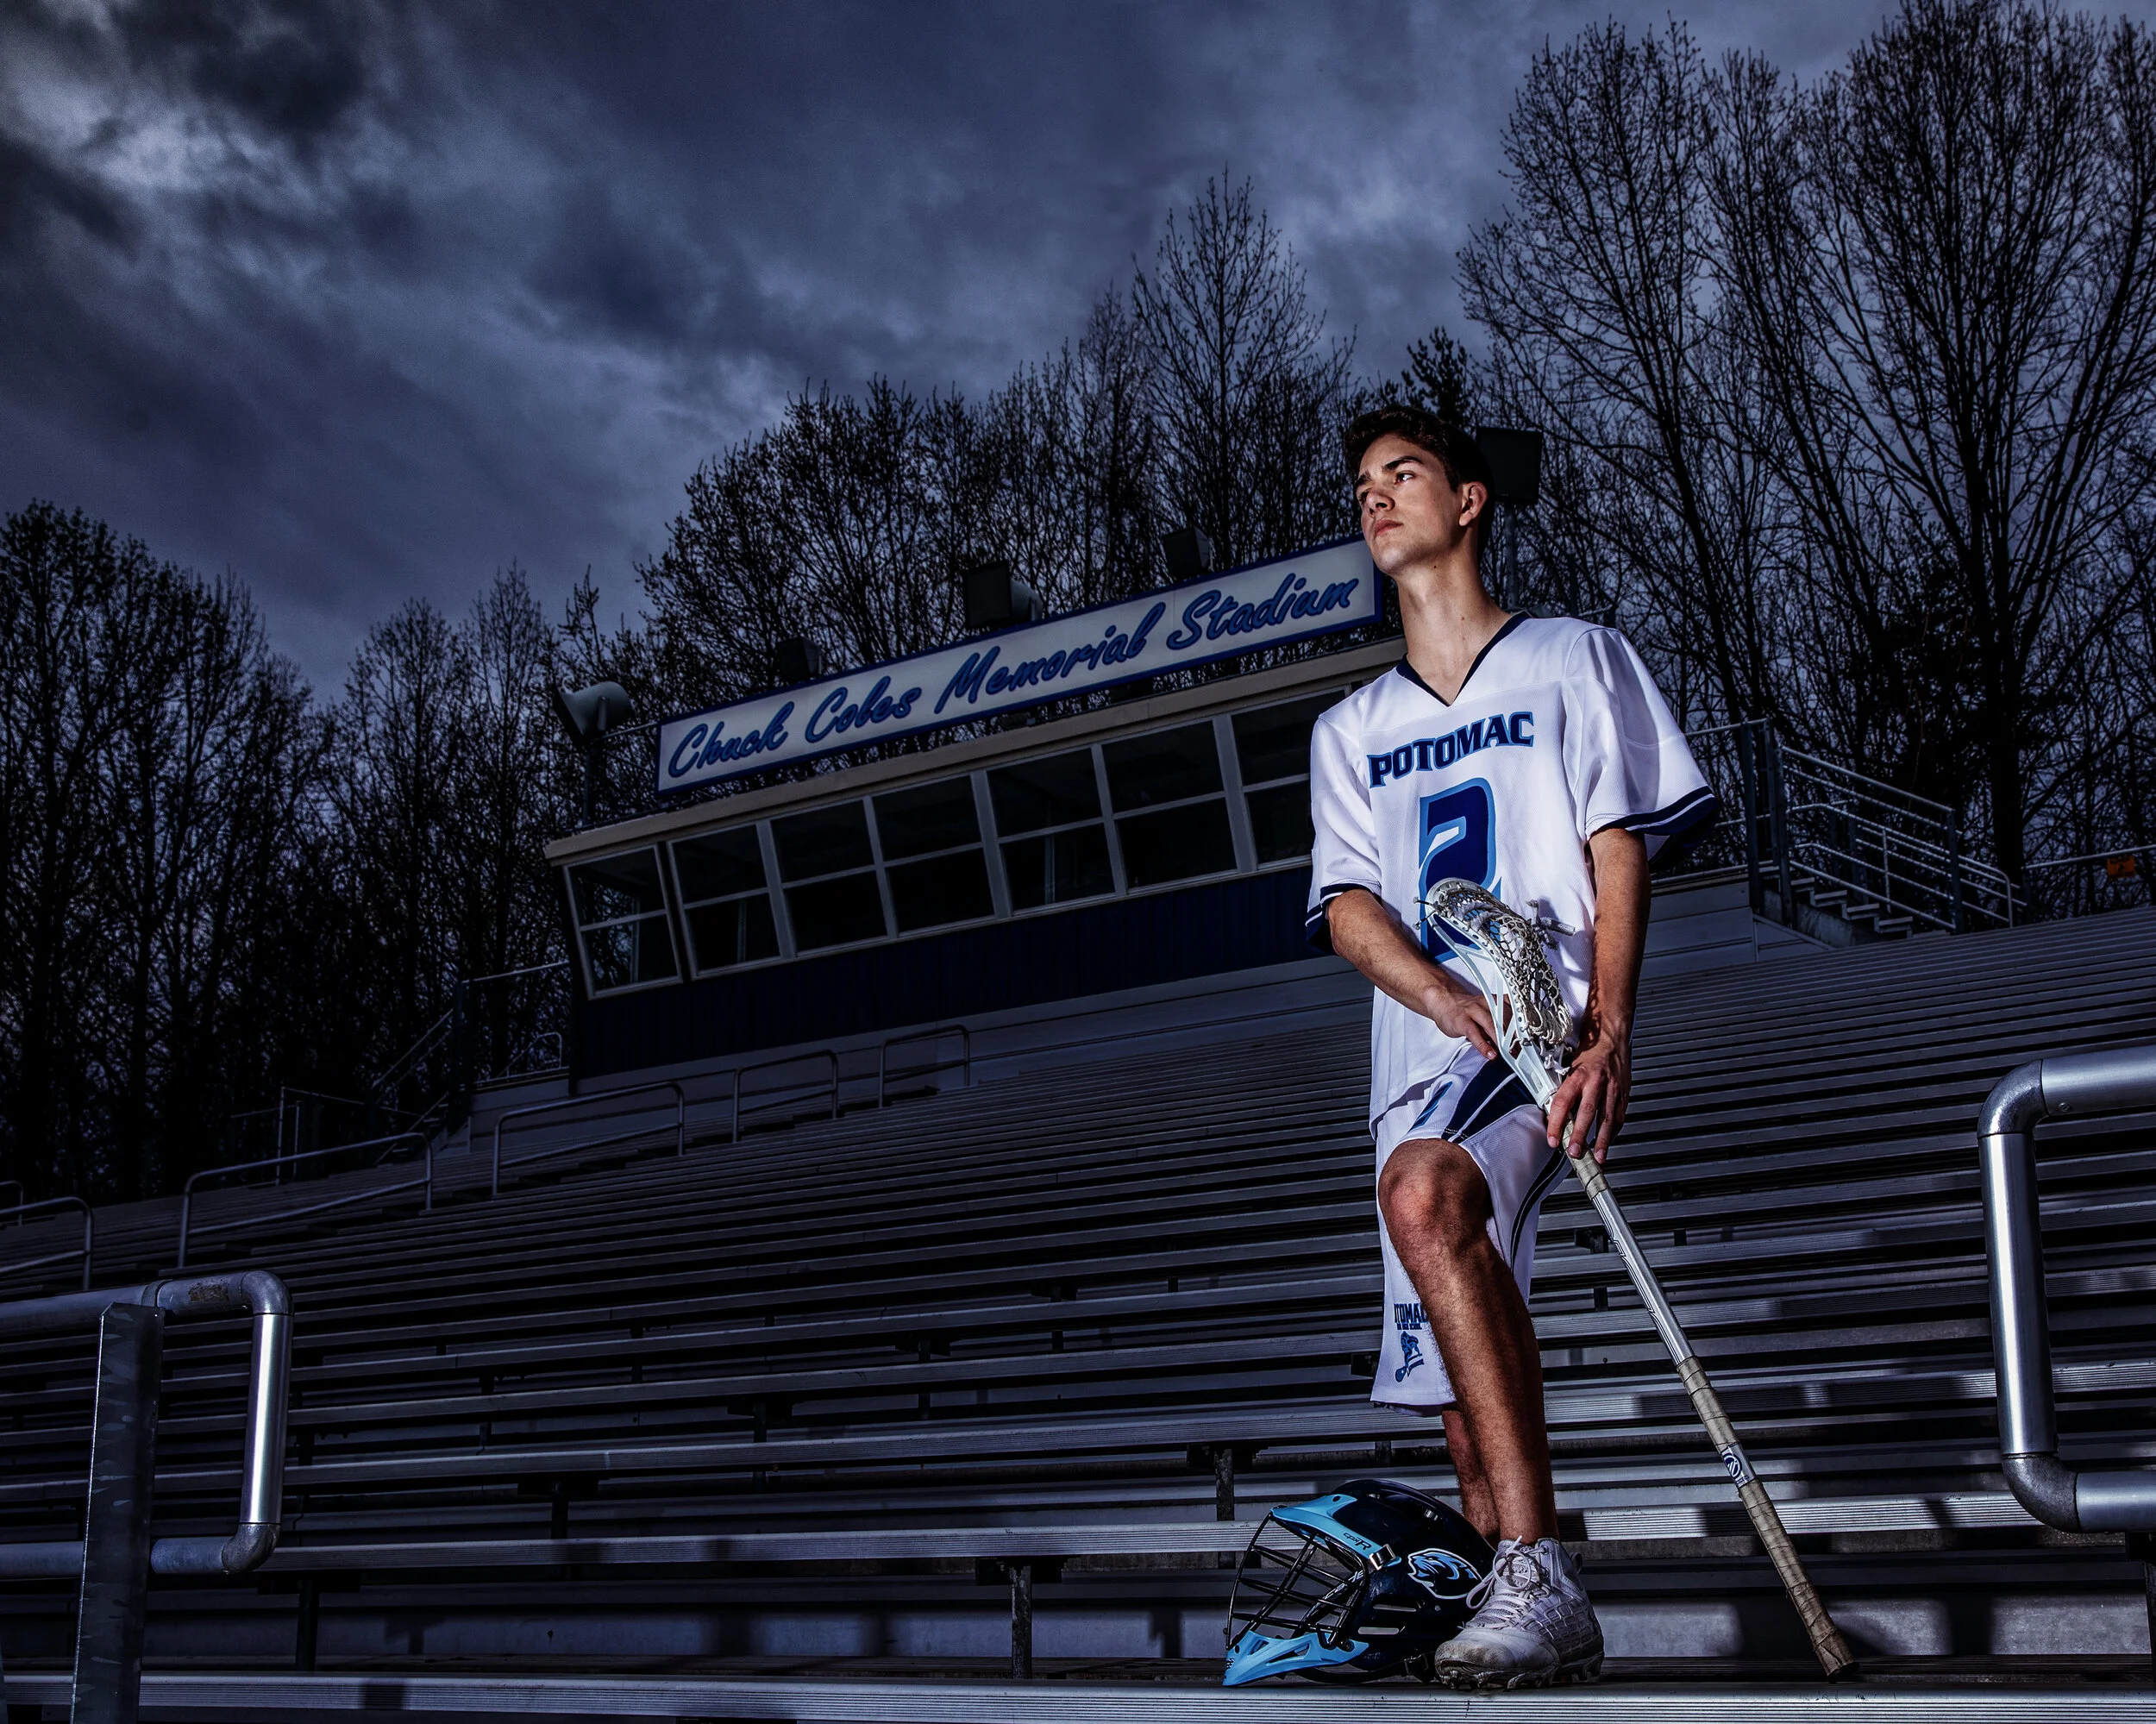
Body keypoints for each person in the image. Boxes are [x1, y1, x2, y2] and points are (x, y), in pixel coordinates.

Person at [1307, 405, 1714, 1689]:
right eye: (1363, 484)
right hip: (1422, 1056)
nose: (1375, 497)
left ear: (1470, 500)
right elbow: (1348, 907)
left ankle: (1541, 1570)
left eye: (1403, 474)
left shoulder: (1573, 656)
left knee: (1423, 1195)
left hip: (1538, 1029)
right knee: (1463, 1434)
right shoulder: (1348, 727)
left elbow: (1616, 844)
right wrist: (1433, 991)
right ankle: (1523, 1621)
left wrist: (1613, 1030)